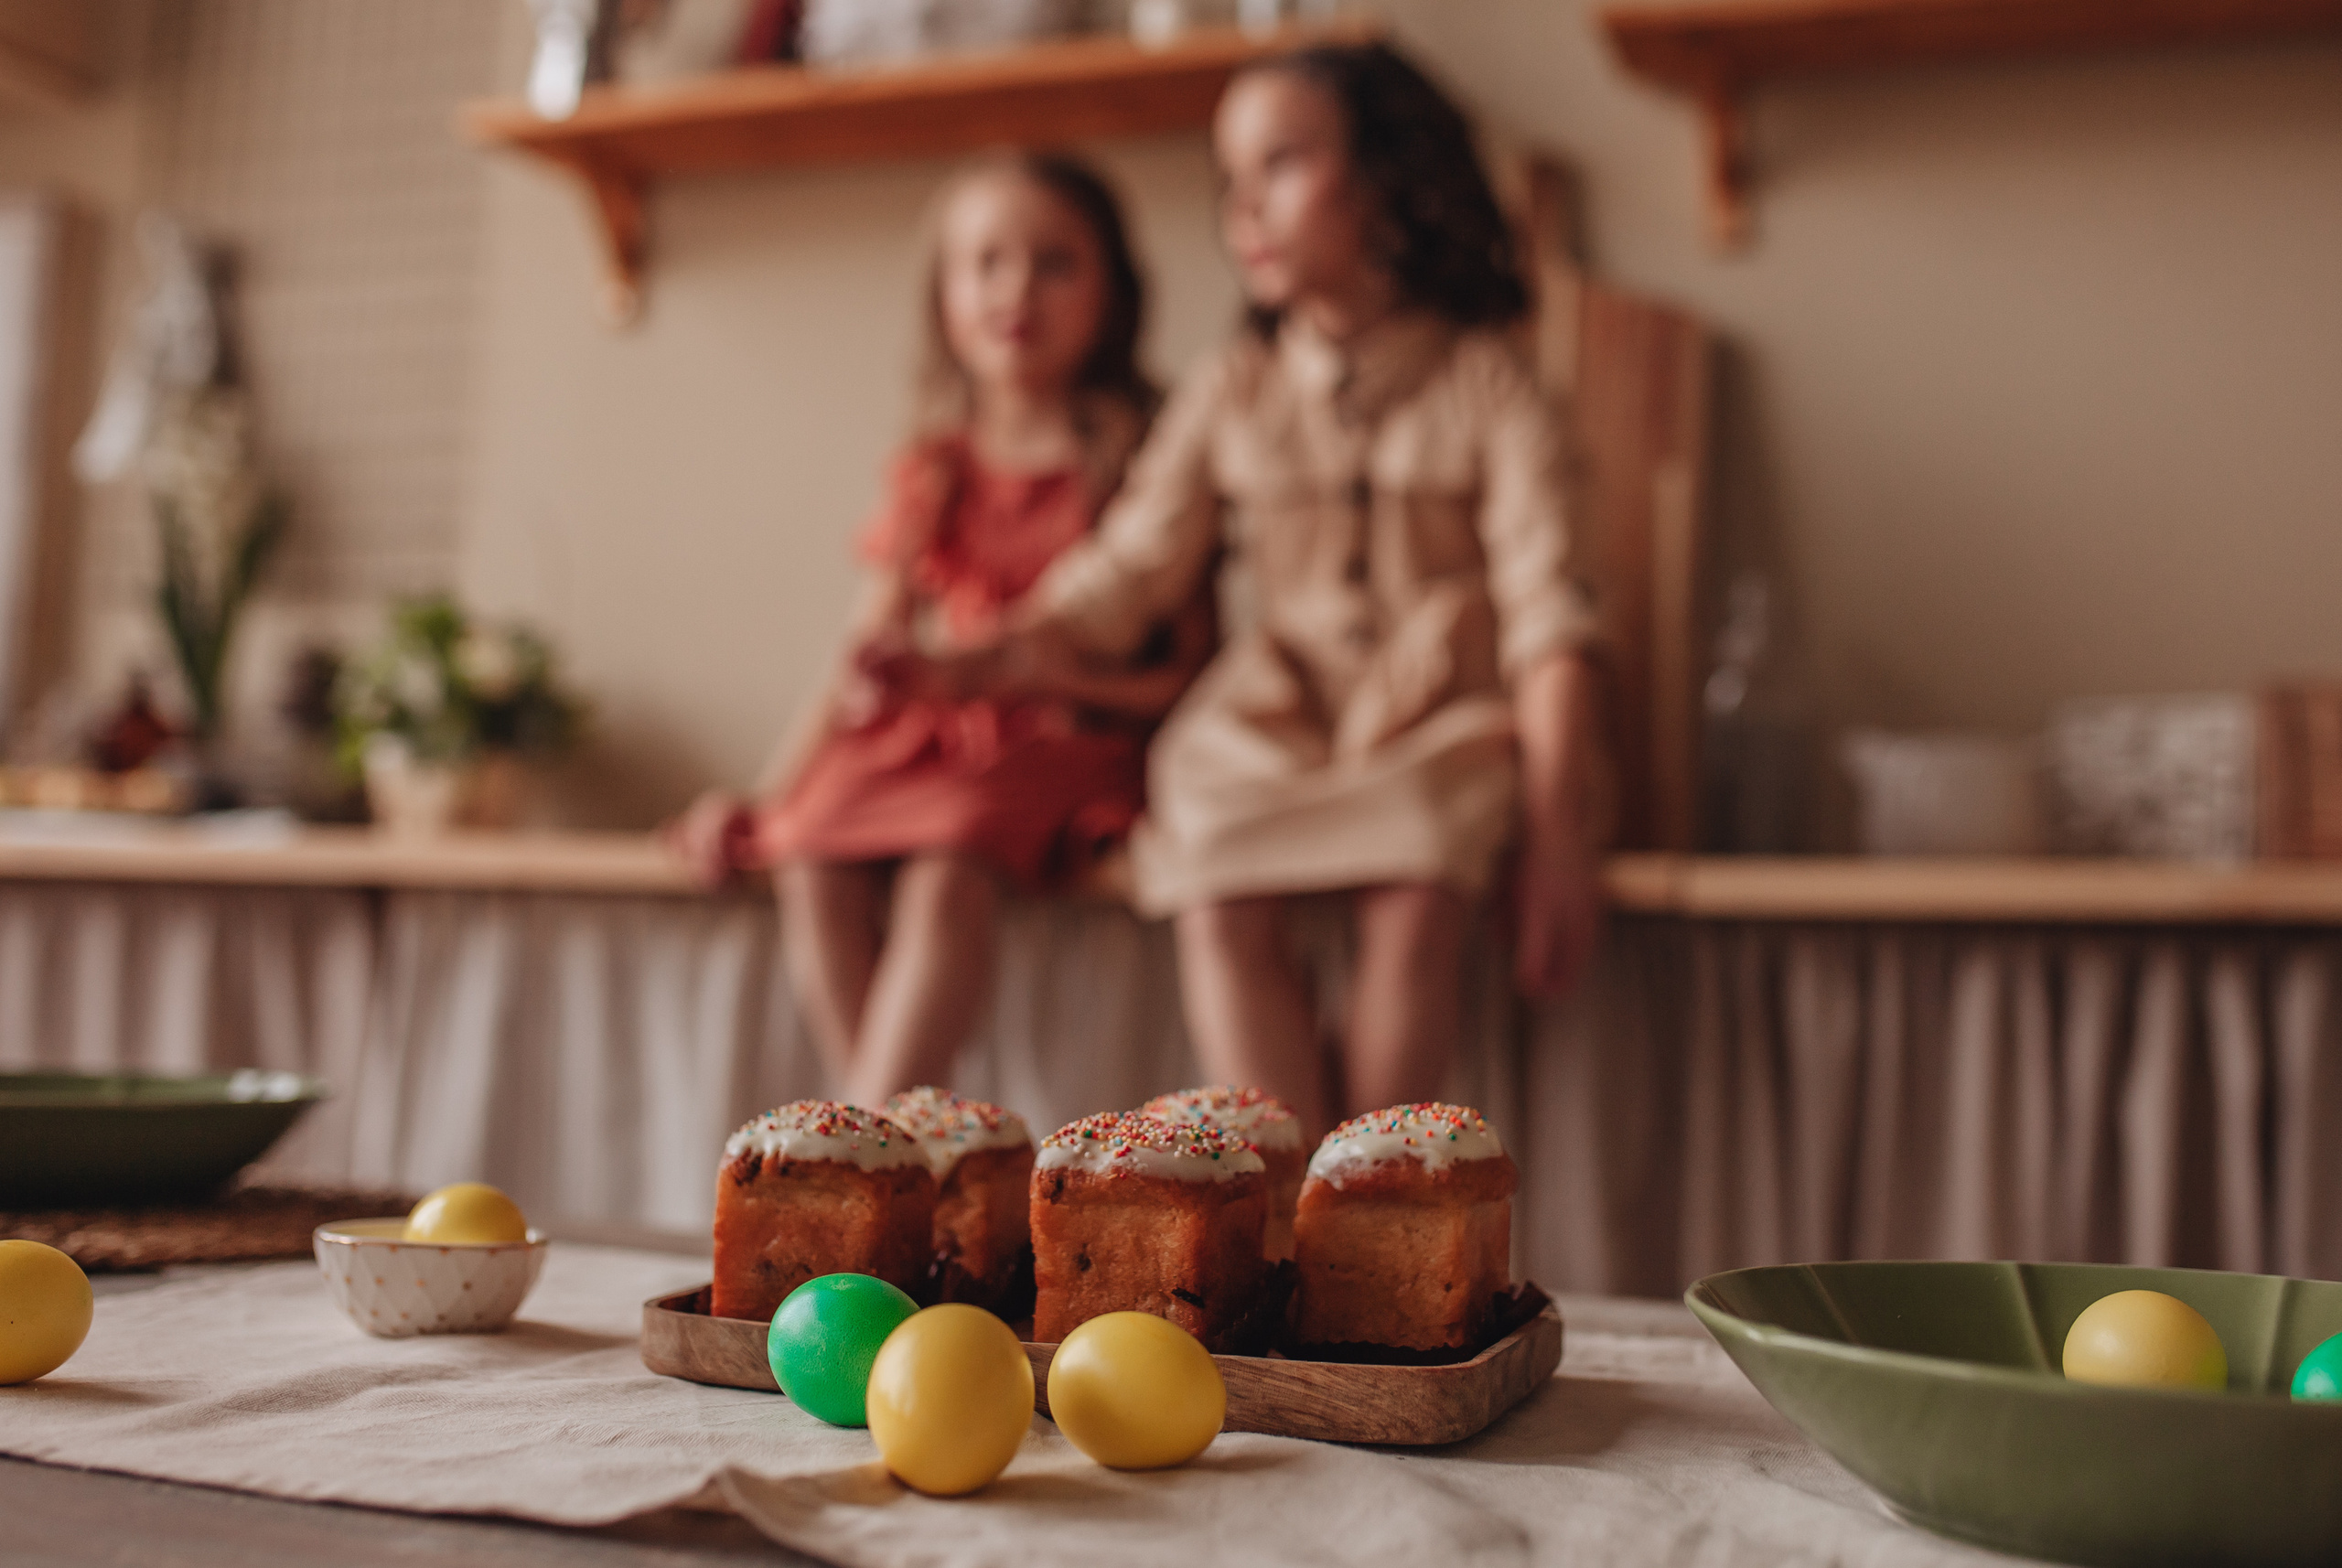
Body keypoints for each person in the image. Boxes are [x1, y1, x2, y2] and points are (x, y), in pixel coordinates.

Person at [873, 44, 1608, 1135]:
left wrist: (1557, 831)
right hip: (1281, 713)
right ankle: (1282, 1192)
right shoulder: (1234, 388)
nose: (1243, 208)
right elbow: (1130, 567)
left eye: (1282, 165)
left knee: (1415, 893)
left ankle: (1370, 1189)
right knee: (1208, 870)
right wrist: (990, 652)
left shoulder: (1487, 383)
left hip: (1438, 714)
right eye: (1230, 178)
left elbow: (1550, 616)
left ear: (1383, 180)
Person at [671, 154, 1208, 1108]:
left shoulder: (1146, 462)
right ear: (943, 297)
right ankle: (898, 1143)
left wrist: (1050, 678)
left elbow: (1187, 674)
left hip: (1064, 741)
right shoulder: (935, 469)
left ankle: (870, 1150)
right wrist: (765, 795)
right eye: (986, 262)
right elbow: (855, 665)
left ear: (1114, 291)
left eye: (1055, 262)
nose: (1017, 291)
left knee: (948, 867)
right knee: (810, 852)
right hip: (942, 744)